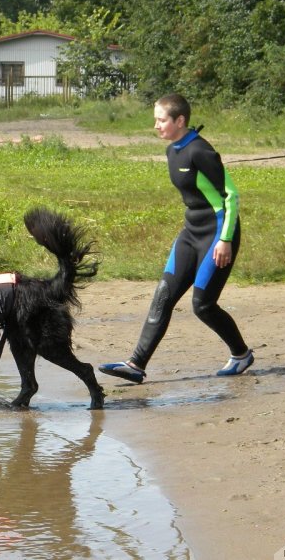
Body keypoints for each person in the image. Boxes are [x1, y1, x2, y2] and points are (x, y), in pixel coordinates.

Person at [99, 93, 253, 383]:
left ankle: (241, 354)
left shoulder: (200, 151)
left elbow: (230, 195)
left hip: (217, 233)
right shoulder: (173, 150)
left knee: (203, 305)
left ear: (179, 121)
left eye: (161, 120)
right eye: (155, 120)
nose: (156, 125)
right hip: (191, 232)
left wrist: (225, 239)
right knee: (163, 295)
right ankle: (135, 364)